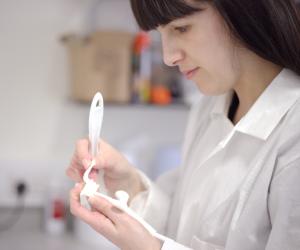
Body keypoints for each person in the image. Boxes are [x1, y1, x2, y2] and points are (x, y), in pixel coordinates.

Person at [66, 0, 300, 249]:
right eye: (160, 33)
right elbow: (183, 225)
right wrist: (128, 184)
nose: (168, 57)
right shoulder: (207, 108)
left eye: (181, 28)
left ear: (242, 10)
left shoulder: (293, 137)